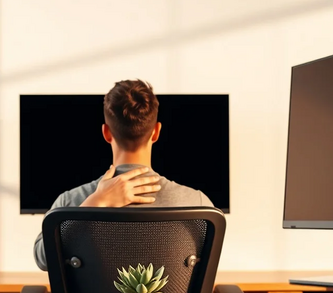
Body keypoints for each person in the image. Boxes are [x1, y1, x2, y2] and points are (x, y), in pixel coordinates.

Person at [33, 79, 213, 271]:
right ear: (156, 132)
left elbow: (43, 259)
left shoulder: (69, 203)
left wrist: (92, 204)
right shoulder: (198, 205)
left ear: (106, 132)